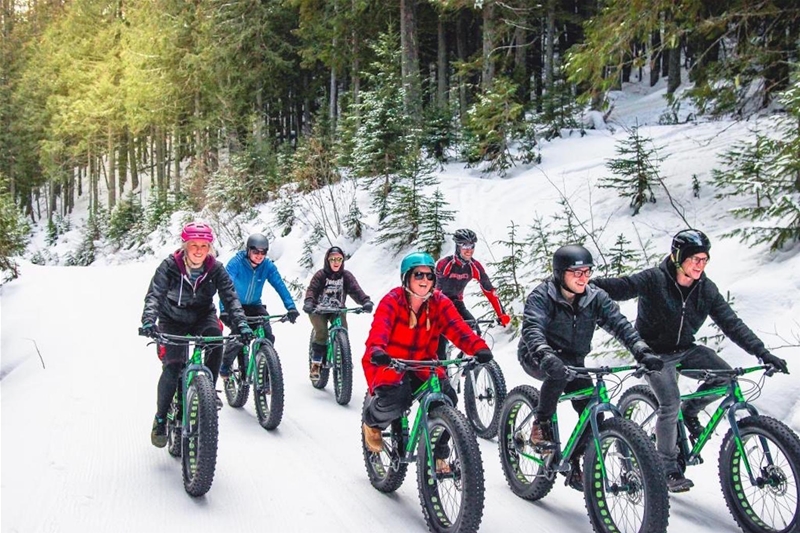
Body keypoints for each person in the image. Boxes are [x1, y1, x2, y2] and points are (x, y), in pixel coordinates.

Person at [591, 228, 788, 493]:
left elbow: (731, 323)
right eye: (694, 258)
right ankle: (666, 466)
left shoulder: (706, 289)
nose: (700, 264)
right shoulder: (653, 279)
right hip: (654, 354)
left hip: (686, 349)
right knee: (669, 403)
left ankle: (691, 410)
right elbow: (621, 287)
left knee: (725, 375)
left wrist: (762, 352)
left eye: (704, 259)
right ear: (677, 257)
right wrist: (582, 282)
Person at [517, 244, 663, 491]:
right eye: (577, 272)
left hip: (574, 359)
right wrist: (544, 354)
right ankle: (540, 424)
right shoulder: (542, 296)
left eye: (587, 271)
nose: (583, 277)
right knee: (558, 373)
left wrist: (642, 350)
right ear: (560, 273)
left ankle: (574, 460)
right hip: (537, 355)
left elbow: (620, 325)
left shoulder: (595, 297)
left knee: (593, 411)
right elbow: (533, 329)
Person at [362, 252, 494, 473]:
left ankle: (439, 453)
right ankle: (372, 422)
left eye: (429, 276)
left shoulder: (439, 302)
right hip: (390, 362)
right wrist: (378, 350)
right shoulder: (392, 300)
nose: (424, 280)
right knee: (396, 399)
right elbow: (379, 330)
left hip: (424, 363)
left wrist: (478, 347)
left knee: (446, 398)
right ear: (406, 278)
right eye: (418, 275)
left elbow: (457, 328)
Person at [139, 222, 253, 448]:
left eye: (204, 245)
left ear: (209, 247)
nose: (199, 250)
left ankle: (208, 389)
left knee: (216, 339)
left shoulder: (215, 268)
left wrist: (241, 324)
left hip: (203, 315)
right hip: (172, 319)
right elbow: (155, 295)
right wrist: (149, 321)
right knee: (173, 366)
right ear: (185, 246)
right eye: (194, 245)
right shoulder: (170, 266)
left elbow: (230, 298)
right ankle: (161, 418)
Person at [219, 233, 300, 379]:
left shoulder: (267, 266)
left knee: (268, 335)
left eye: (263, 252)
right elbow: (225, 287)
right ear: (248, 250)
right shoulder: (236, 263)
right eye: (255, 251)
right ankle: (225, 365)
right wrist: (224, 310)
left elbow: (280, 285)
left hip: (255, 305)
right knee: (239, 335)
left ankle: (267, 373)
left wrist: (291, 307)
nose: (259, 255)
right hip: (233, 305)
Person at [435, 229, 511, 360]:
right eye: (464, 245)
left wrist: (501, 314)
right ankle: (442, 373)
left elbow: (489, 291)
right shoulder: (445, 264)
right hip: (438, 304)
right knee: (440, 345)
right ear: (457, 246)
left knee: (474, 331)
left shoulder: (474, 266)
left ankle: (464, 364)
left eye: (471, 246)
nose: (468, 249)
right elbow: (434, 291)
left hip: (457, 303)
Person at [302, 246, 373, 379]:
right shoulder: (320, 275)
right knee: (322, 332)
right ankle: (316, 363)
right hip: (318, 310)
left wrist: (365, 301)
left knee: (343, 330)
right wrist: (309, 302)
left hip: (337, 309)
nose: (336, 262)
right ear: (327, 260)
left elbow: (356, 290)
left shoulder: (346, 276)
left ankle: (343, 357)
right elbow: (312, 290)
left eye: (339, 259)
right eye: (333, 259)